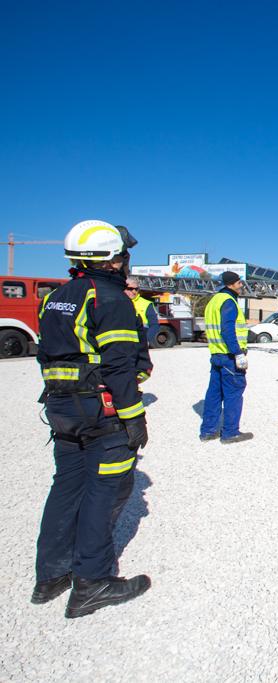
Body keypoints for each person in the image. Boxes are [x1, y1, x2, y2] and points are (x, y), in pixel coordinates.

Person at [32, 220, 152, 618]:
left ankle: (51, 576)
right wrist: (134, 418)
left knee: (66, 487)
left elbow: (46, 354)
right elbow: (119, 366)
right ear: (114, 259)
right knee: (105, 491)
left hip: (61, 408)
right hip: (102, 411)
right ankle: (92, 582)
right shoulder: (110, 300)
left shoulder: (57, 297)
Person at [199, 271, 252, 443]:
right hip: (229, 356)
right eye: (239, 282)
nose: (241, 285)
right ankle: (230, 432)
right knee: (233, 393)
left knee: (214, 394)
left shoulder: (214, 301)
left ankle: (208, 431)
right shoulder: (229, 301)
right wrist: (238, 353)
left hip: (216, 354)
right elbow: (227, 330)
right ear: (231, 284)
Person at [124, 277, 159, 346]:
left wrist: (145, 340)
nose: (134, 291)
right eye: (130, 289)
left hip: (140, 344)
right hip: (122, 344)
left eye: (136, 289)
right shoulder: (117, 302)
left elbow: (154, 325)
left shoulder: (146, 304)